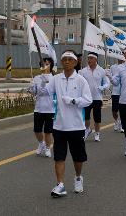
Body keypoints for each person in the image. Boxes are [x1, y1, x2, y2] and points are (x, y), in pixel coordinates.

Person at [37, 50, 92, 198]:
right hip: (59, 126)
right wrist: (44, 77)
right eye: (64, 59)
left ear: (75, 62)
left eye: (69, 59)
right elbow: (43, 92)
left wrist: (74, 101)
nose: (66, 61)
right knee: (59, 157)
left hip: (76, 126)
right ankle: (60, 184)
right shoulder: (56, 79)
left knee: (78, 157)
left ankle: (78, 177)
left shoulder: (81, 80)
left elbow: (88, 100)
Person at [79, 52, 110, 142]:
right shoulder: (83, 71)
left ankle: (97, 133)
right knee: (86, 117)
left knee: (97, 117)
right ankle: (87, 129)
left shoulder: (101, 71)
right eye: (88, 58)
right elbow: (79, 83)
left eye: (91, 58)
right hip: (87, 98)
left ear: (95, 59)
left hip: (97, 98)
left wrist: (102, 87)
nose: (89, 60)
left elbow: (107, 83)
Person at [30, 58, 55, 157]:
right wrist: (32, 88)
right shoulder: (36, 78)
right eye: (43, 64)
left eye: (47, 64)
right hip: (39, 108)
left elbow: (50, 92)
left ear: (51, 66)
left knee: (48, 131)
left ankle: (48, 148)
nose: (44, 66)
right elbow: (35, 92)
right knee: (37, 130)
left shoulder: (54, 78)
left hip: (50, 108)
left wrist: (44, 83)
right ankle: (41, 143)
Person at [111, 59, 125, 133]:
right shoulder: (113, 67)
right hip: (115, 92)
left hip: (124, 92)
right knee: (114, 111)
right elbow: (110, 77)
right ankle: (116, 121)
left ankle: (122, 125)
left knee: (122, 110)